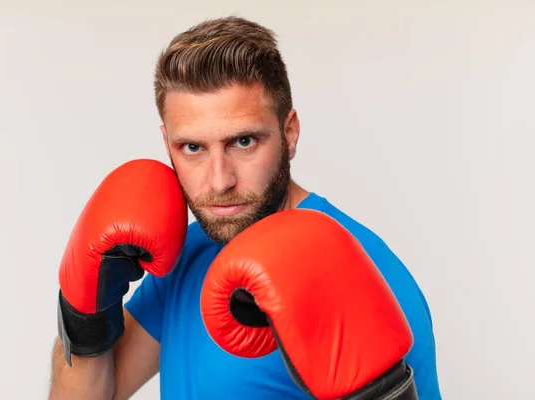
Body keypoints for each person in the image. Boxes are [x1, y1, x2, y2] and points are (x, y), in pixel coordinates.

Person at [48, 16, 442, 400]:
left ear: (290, 134)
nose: (219, 181)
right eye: (193, 148)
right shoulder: (190, 250)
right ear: (167, 143)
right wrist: (85, 316)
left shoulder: (365, 272)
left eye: (243, 142)